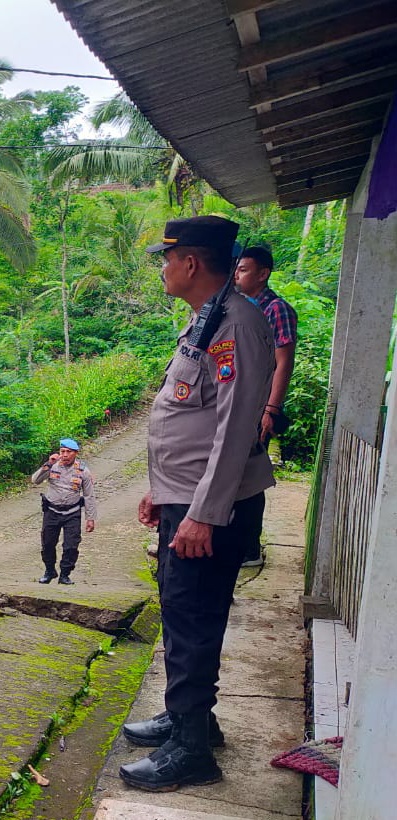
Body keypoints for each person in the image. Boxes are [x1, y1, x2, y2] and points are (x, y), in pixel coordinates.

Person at [119, 215, 275, 791]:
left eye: (167, 259)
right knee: (184, 615)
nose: (163, 269)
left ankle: (191, 751)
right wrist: (163, 495)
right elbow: (191, 419)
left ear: (189, 262)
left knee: (193, 619)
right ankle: (192, 720)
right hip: (183, 501)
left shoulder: (237, 324)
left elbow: (235, 429)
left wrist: (202, 513)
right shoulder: (207, 321)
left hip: (210, 511)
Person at [233, 245, 298, 567]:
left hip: (259, 407)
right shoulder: (240, 308)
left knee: (249, 477)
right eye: (236, 268)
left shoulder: (275, 309)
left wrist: (271, 409)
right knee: (234, 473)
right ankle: (233, 541)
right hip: (241, 403)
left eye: (243, 269)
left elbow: (283, 361)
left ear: (263, 274)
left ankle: (249, 549)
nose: (237, 275)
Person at [31, 438, 97, 585]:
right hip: (52, 511)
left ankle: (65, 574)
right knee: (47, 544)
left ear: (76, 453)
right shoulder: (52, 466)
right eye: (63, 451)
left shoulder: (83, 471)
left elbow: (89, 495)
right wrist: (48, 464)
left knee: (71, 546)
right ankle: (49, 571)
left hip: (72, 513)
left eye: (69, 452)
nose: (65, 455)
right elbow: (35, 480)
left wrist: (90, 518)